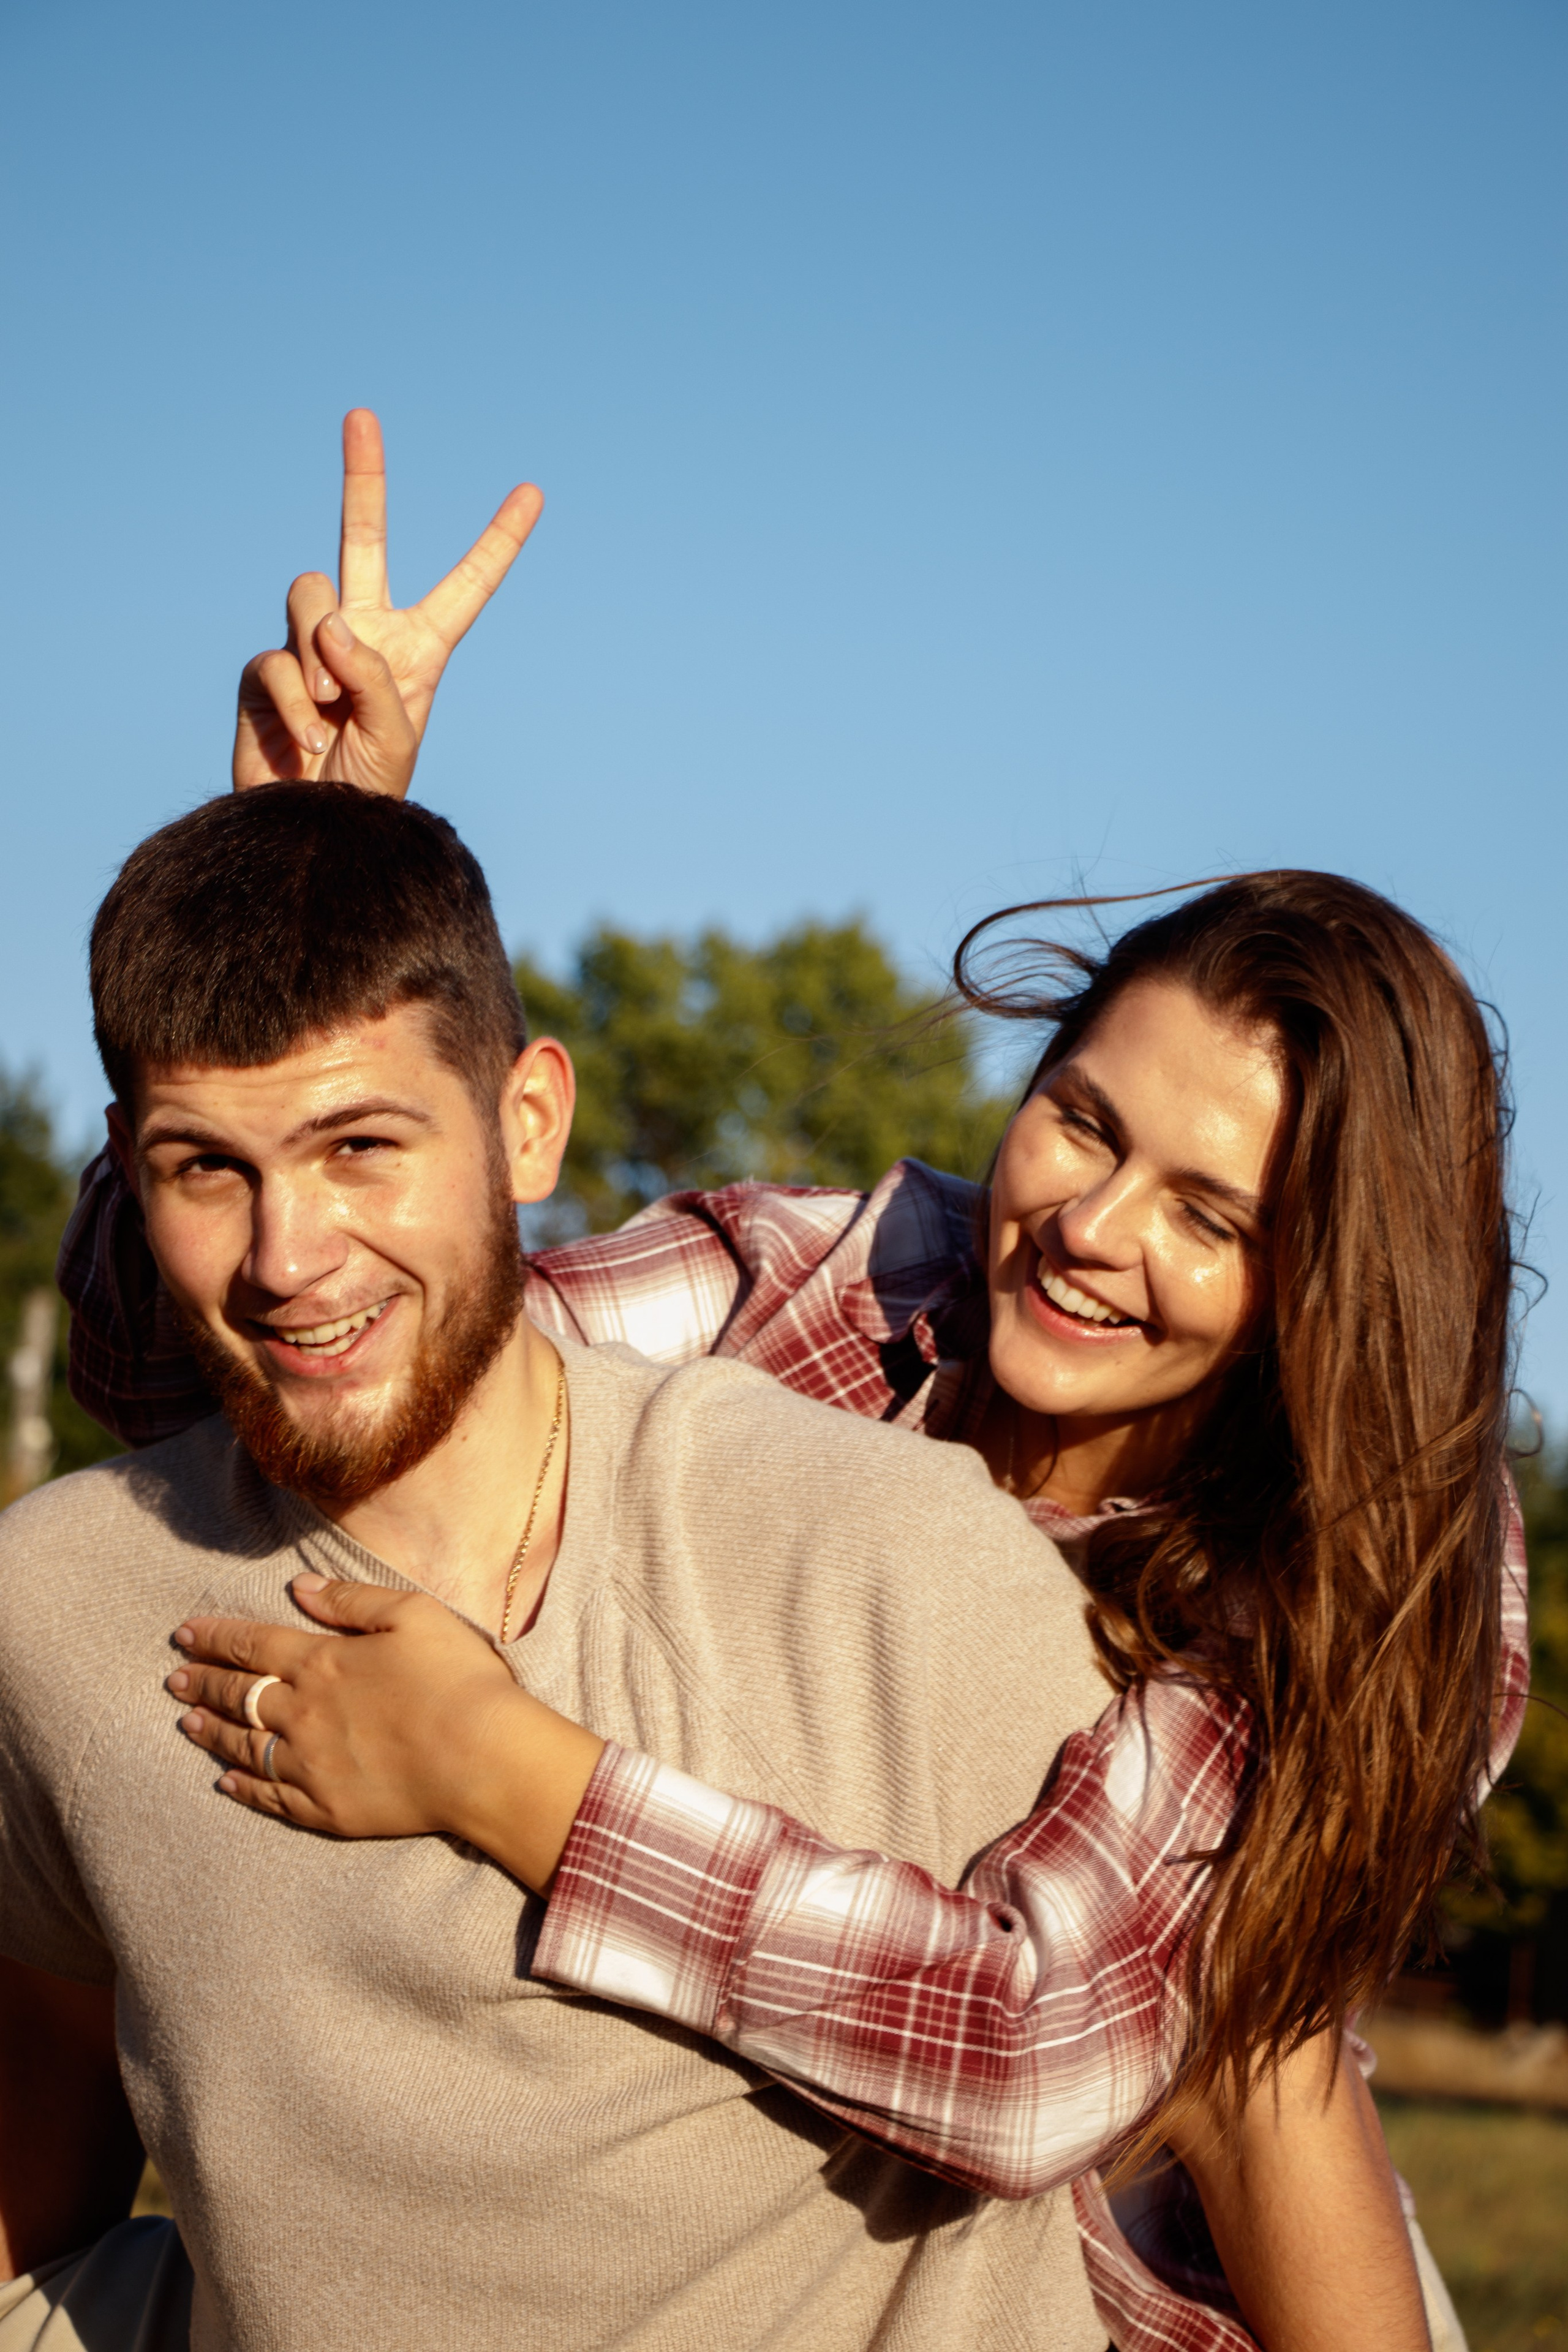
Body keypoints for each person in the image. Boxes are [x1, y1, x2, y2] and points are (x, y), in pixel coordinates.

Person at [55, 420, 1523, 2350]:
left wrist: (513, 1776)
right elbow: (311, 1367)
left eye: (1214, 1218)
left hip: (1114, 2284)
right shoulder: (827, 1286)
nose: (1095, 1228)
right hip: (757, 2221)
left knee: (1274, 2062)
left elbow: (1028, 2047)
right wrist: (307, 926)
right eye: (1083, 1125)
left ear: (1331, 1288)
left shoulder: (1363, 1556)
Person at [1, 782, 1134, 2352]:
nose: (287, 1255)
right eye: (208, 1170)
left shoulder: (904, 1560)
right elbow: (32, 2212)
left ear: (528, 1117)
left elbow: (1180, 2103)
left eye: (361, 1145)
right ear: (129, 1168)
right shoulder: (53, 1612)